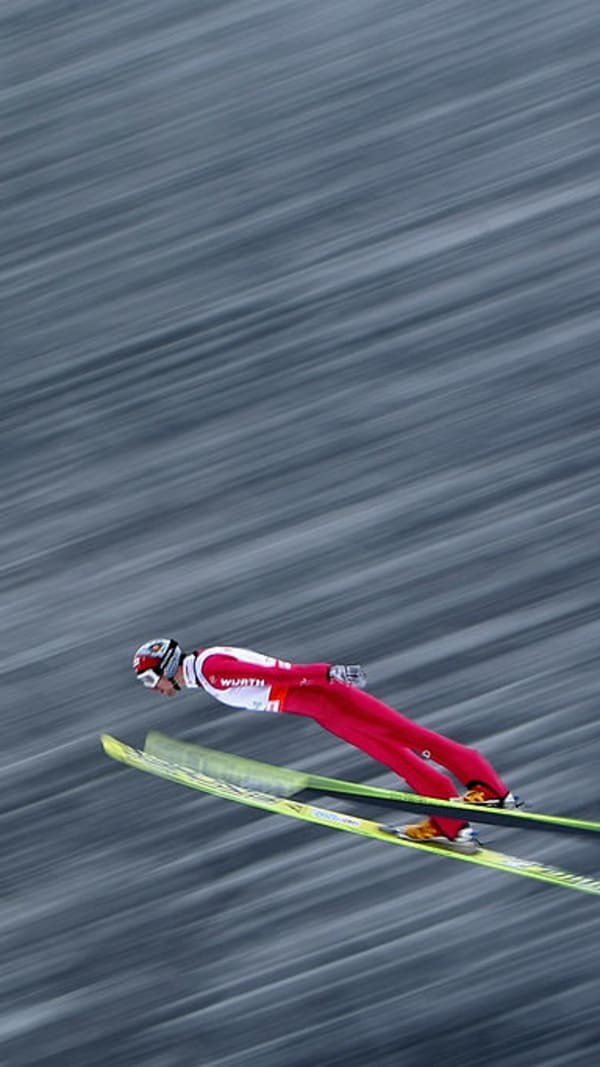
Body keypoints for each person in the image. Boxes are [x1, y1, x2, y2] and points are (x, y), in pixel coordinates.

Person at [132, 638, 518, 854]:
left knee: (411, 738)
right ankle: (451, 824)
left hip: (331, 699)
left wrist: (328, 673)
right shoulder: (205, 670)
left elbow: (279, 674)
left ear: (166, 666)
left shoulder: (212, 669)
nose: (154, 689)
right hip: (324, 710)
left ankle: (491, 790)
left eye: (150, 680)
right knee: (396, 758)